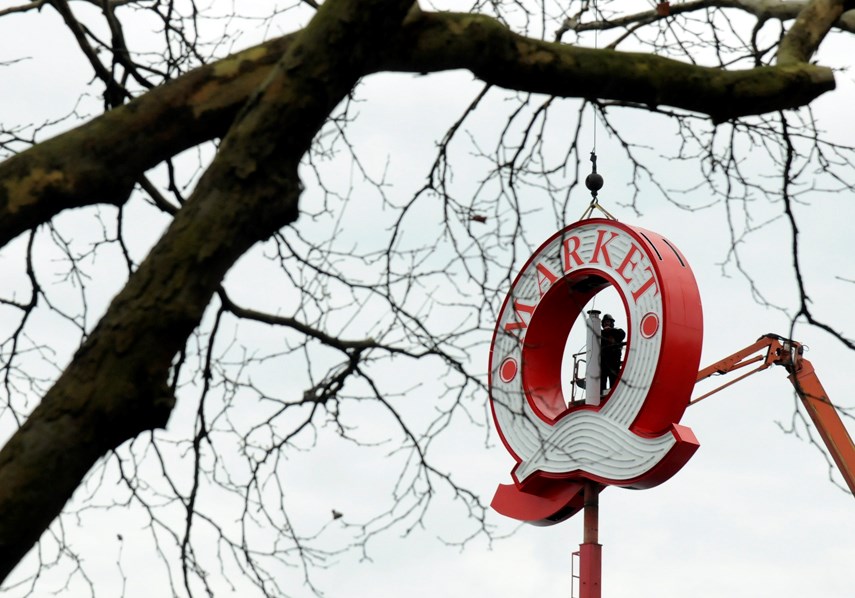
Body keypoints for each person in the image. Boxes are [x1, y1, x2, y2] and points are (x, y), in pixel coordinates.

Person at [600, 314, 625, 394]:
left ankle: (613, 393)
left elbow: (622, 334)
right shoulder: (600, 333)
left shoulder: (617, 331)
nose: (606, 324)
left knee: (613, 380)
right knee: (602, 380)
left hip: (614, 360)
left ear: (611, 323)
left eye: (608, 322)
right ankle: (601, 393)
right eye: (605, 322)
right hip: (603, 361)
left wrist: (610, 331)